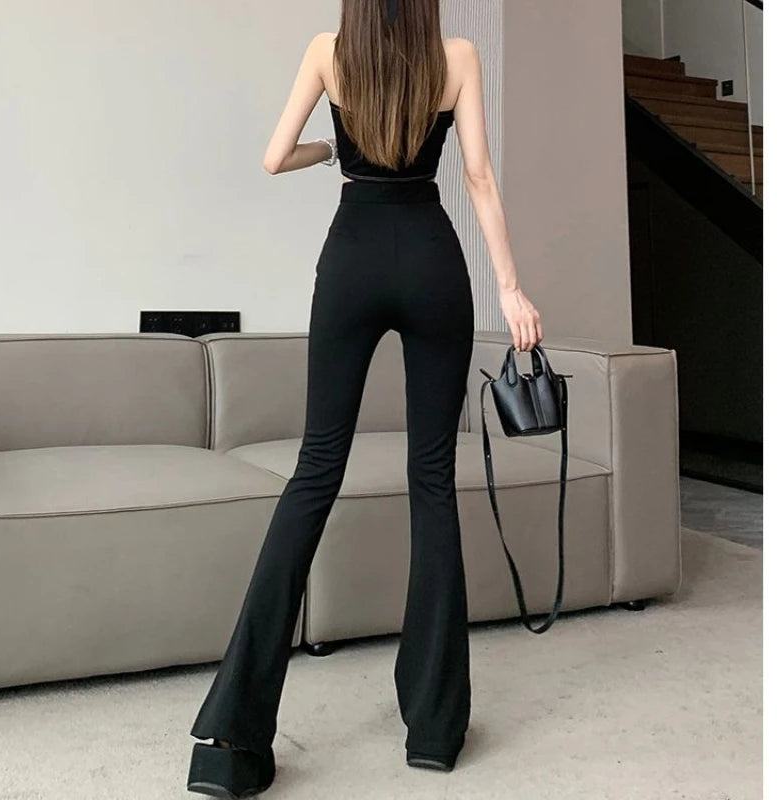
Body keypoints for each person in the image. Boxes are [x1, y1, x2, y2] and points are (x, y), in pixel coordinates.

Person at [186, 1, 543, 796]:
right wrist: (511, 288)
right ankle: (435, 729)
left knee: (316, 470)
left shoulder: (328, 49)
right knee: (432, 480)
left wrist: (333, 151)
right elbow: (479, 177)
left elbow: (274, 158)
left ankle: (230, 739)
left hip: (352, 259)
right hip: (431, 258)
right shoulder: (457, 56)